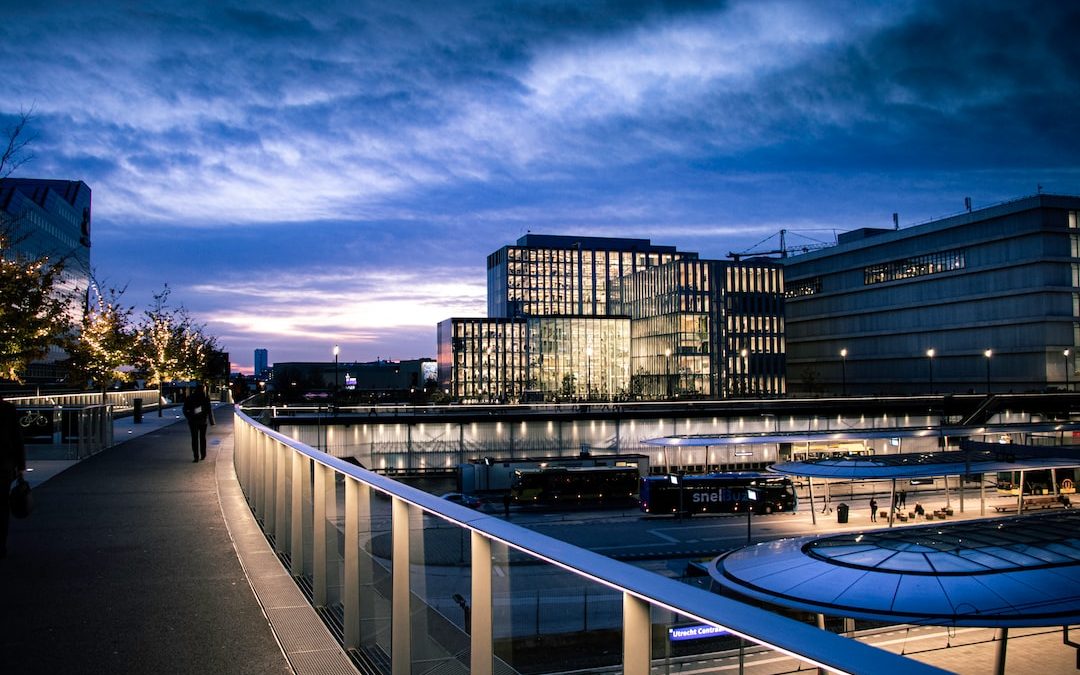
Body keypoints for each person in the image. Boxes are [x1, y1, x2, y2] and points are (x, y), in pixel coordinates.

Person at [1, 398, 27, 559]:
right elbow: (17, 438)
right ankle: (1, 544)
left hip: (4, 464)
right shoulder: (7, 408)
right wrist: (21, 465)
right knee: (2, 506)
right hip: (3, 464)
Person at [182, 383, 215, 462]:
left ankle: (196, 456)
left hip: (193, 421)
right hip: (203, 421)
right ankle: (203, 455)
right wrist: (211, 421)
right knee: (202, 438)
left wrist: (189, 417)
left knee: (194, 438)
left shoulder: (190, 398)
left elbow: (184, 409)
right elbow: (209, 410)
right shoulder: (205, 398)